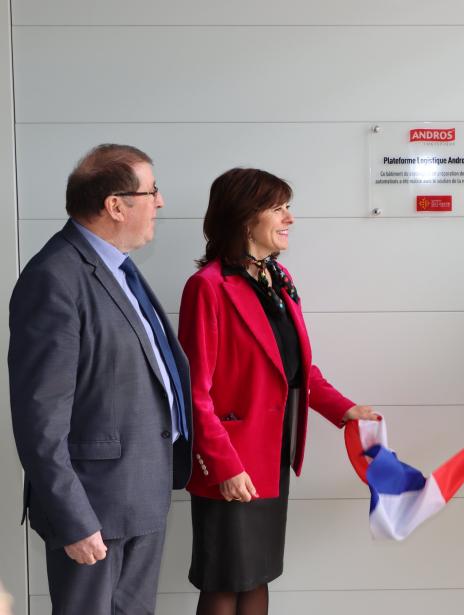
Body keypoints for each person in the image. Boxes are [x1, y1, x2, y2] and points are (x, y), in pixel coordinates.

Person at [178, 168, 378, 615]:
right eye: (279, 208)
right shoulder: (207, 287)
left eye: (289, 207)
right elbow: (195, 391)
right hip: (230, 460)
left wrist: (344, 409)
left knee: (257, 574)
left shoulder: (279, 277)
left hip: (271, 455)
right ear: (245, 217)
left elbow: (297, 368)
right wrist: (225, 465)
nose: (289, 218)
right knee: (224, 581)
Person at [8, 144, 193, 614]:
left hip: (139, 491)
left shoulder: (119, 269)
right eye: (152, 191)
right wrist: (74, 519)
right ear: (116, 205)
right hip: (95, 509)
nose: (161, 202)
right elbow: (39, 418)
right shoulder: (55, 278)